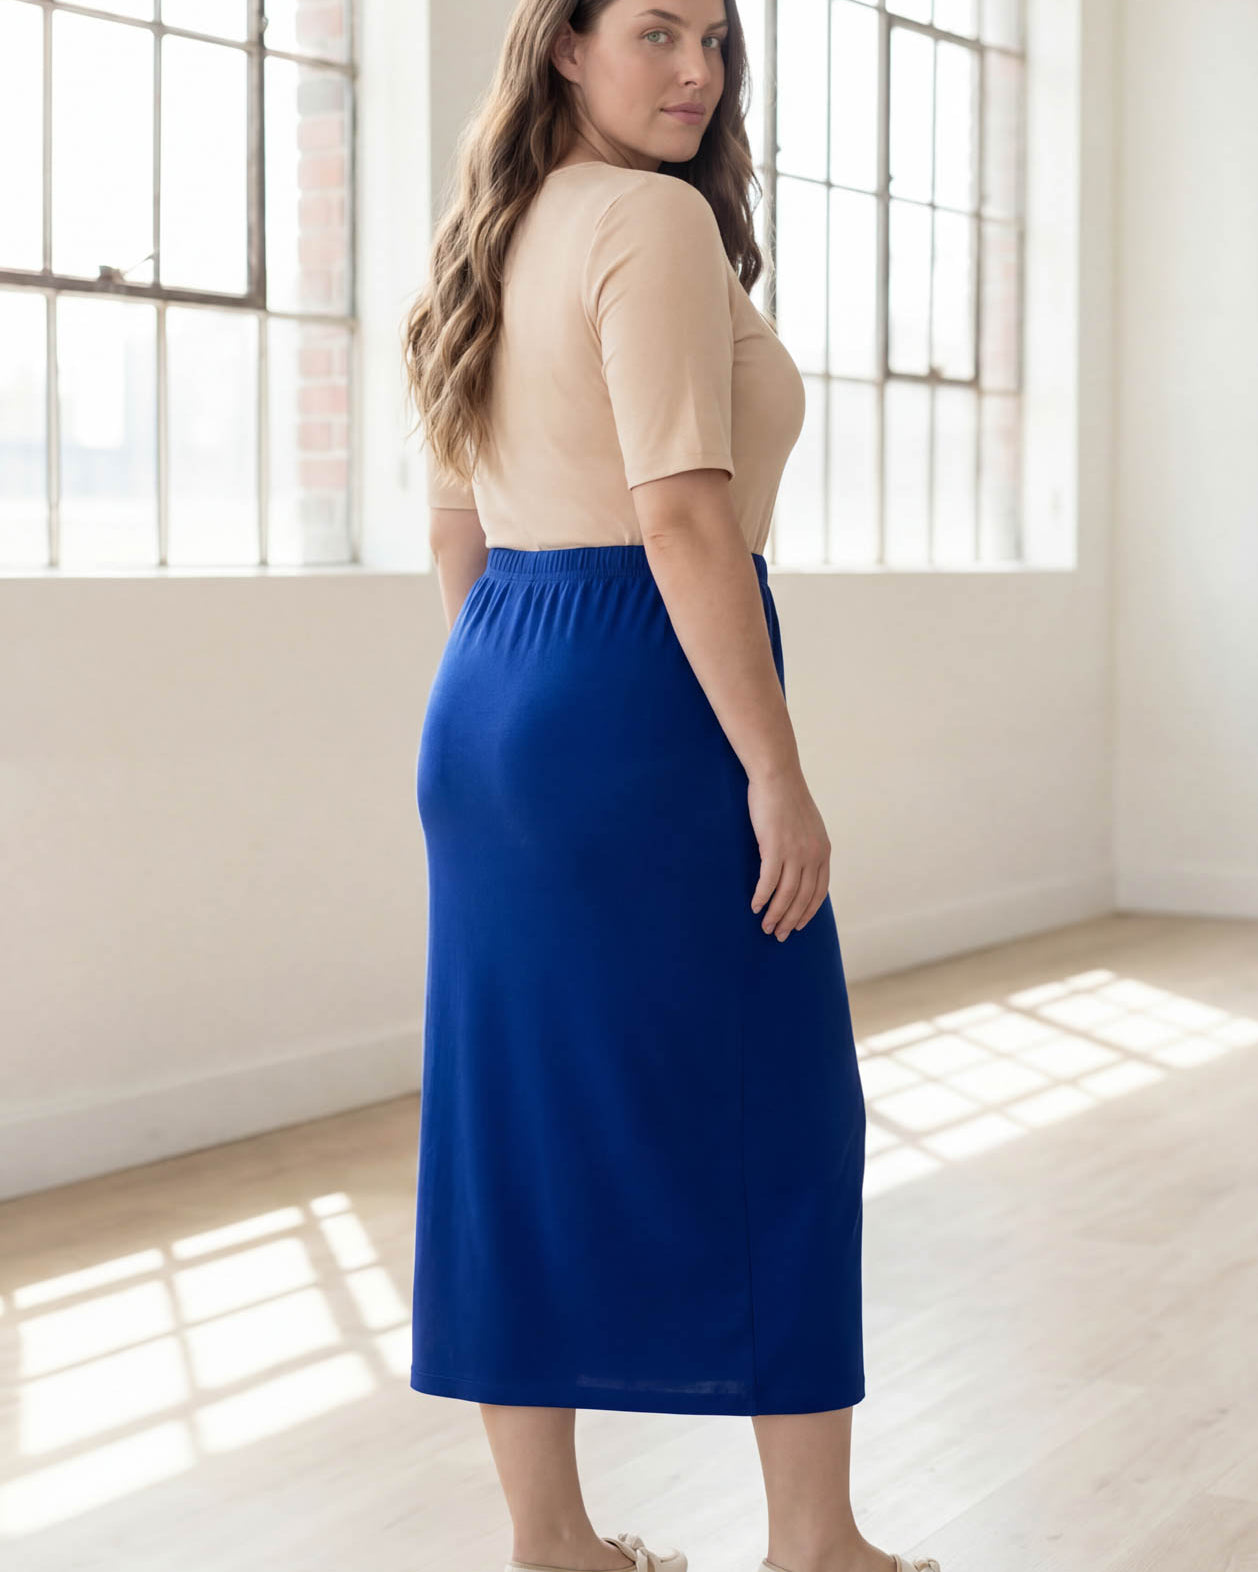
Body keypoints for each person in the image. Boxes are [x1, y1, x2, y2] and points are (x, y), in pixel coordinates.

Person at [403, 4, 941, 1572]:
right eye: (656, 32)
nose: (698, 67)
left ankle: (551, 1541)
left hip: (494, 692)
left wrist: (524, 715)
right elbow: (686, 519)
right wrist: (772, 771)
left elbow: (460, 529)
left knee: (513, 1119)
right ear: (562, 46)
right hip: (643, 694)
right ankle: (815, 1544)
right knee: (781, 1107)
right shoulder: (647, 218)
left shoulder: (483, 235)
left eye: (715, 36)